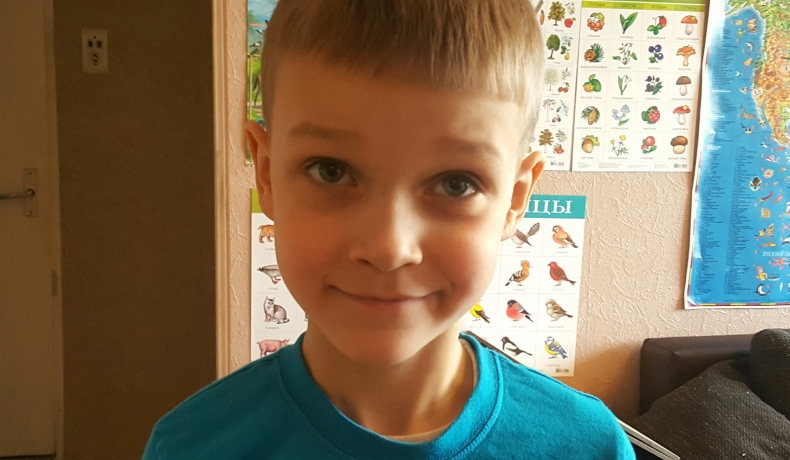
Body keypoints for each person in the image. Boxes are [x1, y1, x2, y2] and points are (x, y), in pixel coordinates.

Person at [143, 0, 635, 458]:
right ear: (267, 176)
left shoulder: (589, 445)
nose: (388, 247)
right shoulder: (191, 446)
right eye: (331, 171)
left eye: (456, 183)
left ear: (515, 199)